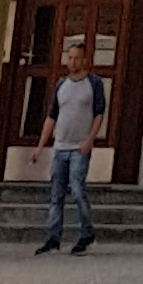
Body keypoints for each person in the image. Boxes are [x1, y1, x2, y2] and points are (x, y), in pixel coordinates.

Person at [37, 59, 101, 253]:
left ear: (84, 60)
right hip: (60, 148)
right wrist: (40, 146)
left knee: (78, 190)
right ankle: (53, 238)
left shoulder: (93, 83)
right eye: (69, 58)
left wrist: (90, 140)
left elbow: (99, 114)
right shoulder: (61, 85)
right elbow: (52, 116)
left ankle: (86, 234)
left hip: (79, 148)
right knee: (56, 195)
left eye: (76, 58)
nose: (72, 62)